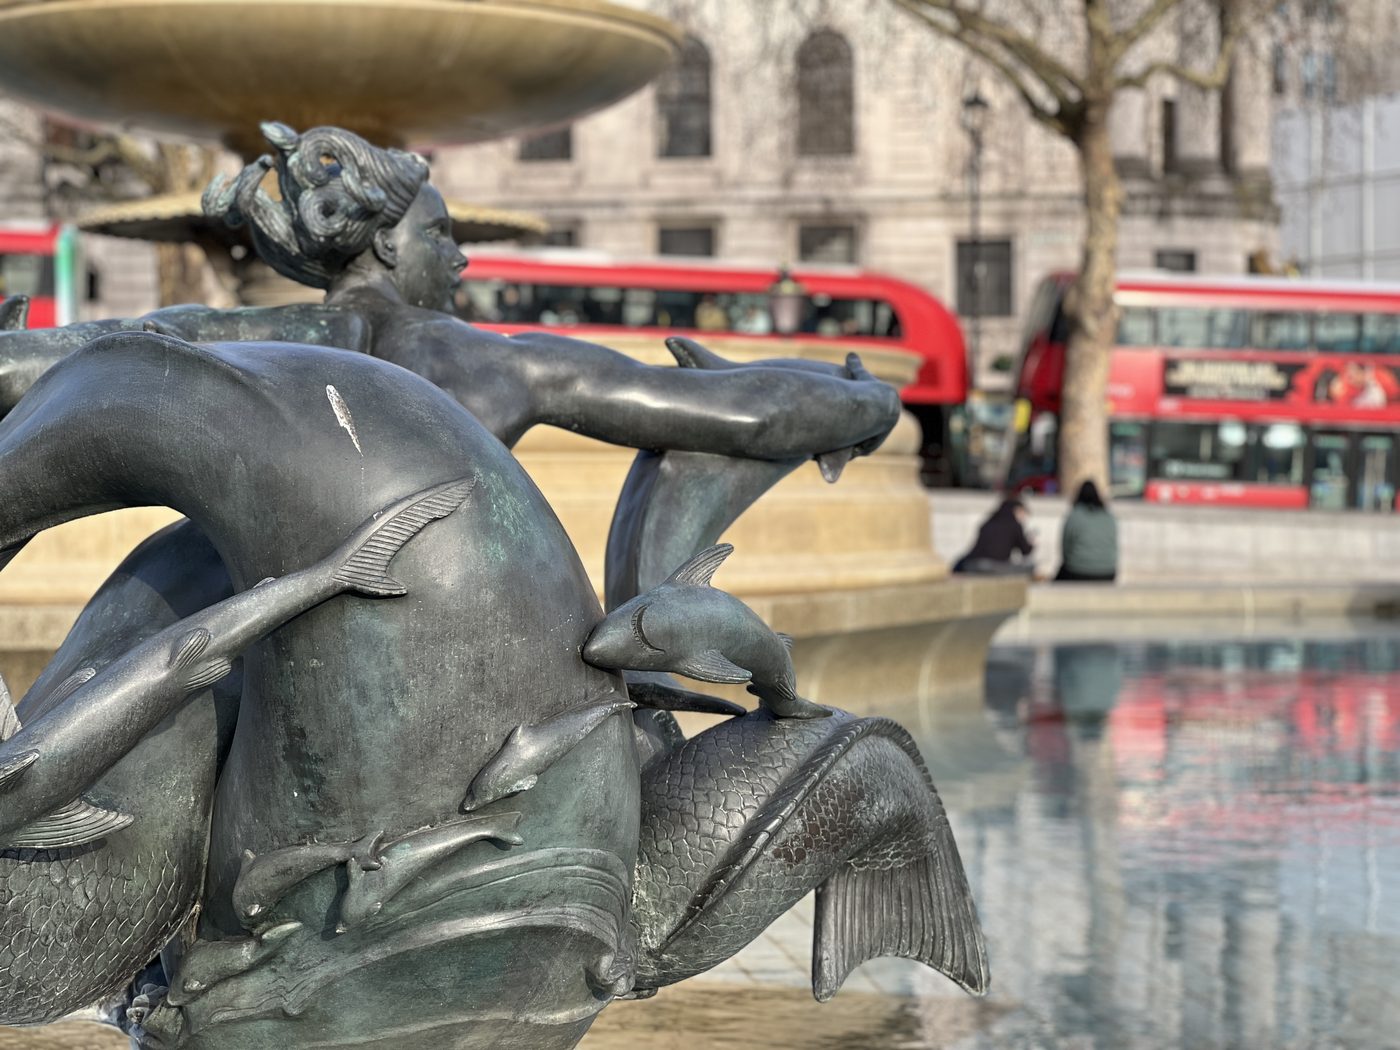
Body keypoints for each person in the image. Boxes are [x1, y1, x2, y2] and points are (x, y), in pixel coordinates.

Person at [952, 497, 1035, 575]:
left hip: (973, 564)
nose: (1023, 517)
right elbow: (1025, 551)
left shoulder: (988, 523)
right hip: (994, 566)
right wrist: (1031, 543)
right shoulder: (1015, 525)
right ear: (1016, 510)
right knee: (1030, 567)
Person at [1055, 480, 1118, 583]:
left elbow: (1065, 548)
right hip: (1107, 572)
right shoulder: (1109, 517)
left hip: (1077, 571)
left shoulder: (1074, 516)